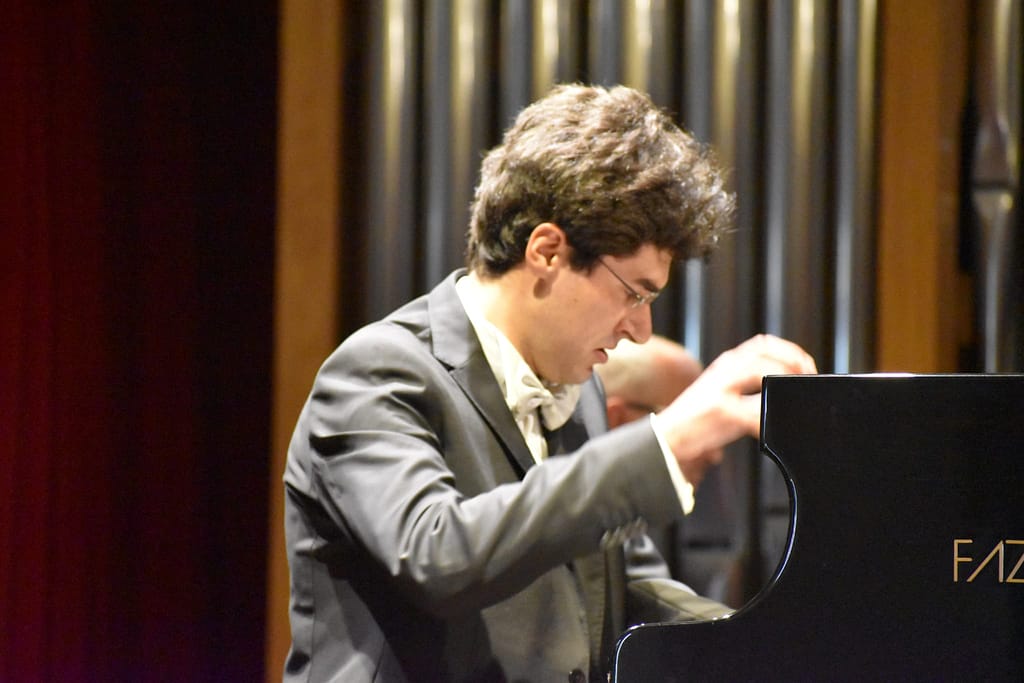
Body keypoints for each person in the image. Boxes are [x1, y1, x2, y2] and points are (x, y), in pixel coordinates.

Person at [282, 84, 817, 683]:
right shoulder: (376, 373)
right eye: (633, 293)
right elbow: (436, 554)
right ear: (547, 251)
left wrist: (768, 645)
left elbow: (619, 585)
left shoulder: (579, 393)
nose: (640, 330)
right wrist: (664, 444)